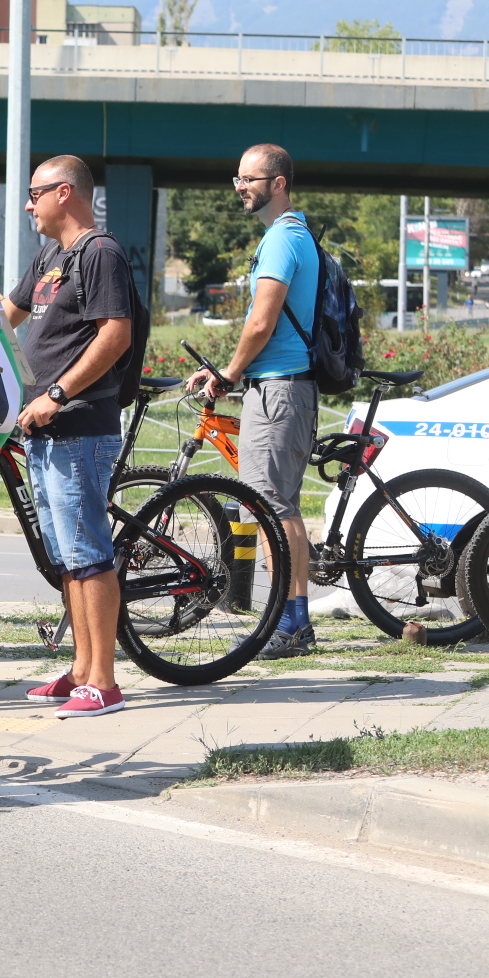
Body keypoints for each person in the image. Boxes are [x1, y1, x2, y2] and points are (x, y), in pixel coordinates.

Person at [3, 155, 135, 718]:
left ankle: (103, 680)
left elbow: (116, 335)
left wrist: (56, 395)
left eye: (34, 193)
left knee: (88, 552)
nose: (28, 205)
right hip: (42, 426)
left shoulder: (100, 253)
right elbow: (2, 316)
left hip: (78, 424)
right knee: (65, 557)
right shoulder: (50, 256)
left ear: (64, 193)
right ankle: (81, 669)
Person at [185, 143, 319, 659]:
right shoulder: (289, 235)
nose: (240, 186)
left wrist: (230, 372)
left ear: (278, 182)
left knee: (270, 505)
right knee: (274, 502)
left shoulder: (283, 238)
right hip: (282, 384)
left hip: (280, 386)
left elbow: (261, 321)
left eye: (250, 178)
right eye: (236, 177)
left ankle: (289, 625)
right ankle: (293, 621)